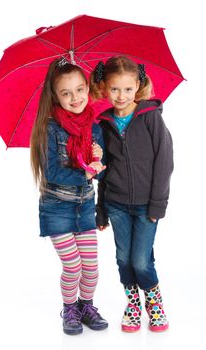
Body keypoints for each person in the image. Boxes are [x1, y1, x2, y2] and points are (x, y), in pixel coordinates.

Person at [90, 55, 173, 332]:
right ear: (104, 88)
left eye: (127, 89)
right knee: (123, 258)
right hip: (116, 204)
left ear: (138, 85)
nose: (121, 95)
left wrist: (158, 204)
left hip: (147, 204)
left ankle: (155, 303)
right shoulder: (103, 124)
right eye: (114, 89)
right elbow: (102, 173)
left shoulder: (150, 117)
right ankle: (133, 304)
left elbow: (164, 161)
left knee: (141, 258)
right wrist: (100, 209)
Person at [30, 57, 108, 335]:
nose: (75, 98)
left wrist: (98, 159)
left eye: (79, 89)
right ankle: (70, 308)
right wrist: (85, 174)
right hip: (57, 209)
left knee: (92, 268)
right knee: (73, 266)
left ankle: (86, 305)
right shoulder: (49, 128)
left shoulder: (95, 127)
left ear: (88, 88)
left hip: (84, 206)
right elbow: (51, 173)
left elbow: (99, 172)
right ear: (56, 96)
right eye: (66, 93)